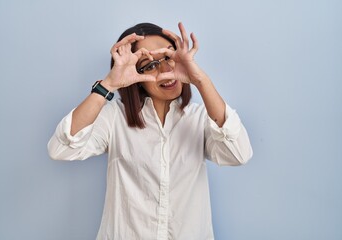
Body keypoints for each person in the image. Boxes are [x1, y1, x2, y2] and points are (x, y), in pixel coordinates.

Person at [48, 22, 253, 240]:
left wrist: (200, 80)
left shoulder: (201, 118)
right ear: (136, 76)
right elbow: (61, 148)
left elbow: (238, 153)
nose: (165, 71)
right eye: (149, 65)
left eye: (168, 57)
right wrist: (108, 84)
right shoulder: (115, 117)